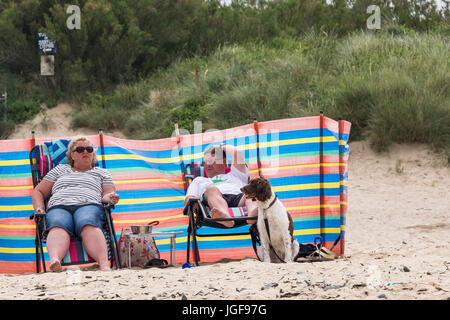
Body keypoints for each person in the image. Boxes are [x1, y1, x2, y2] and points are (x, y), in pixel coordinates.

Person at [32, 137, 120, 272]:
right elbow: (38, 191)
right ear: (72, 155)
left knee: (88, 222)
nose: (85, 152)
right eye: (80, 149)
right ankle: (55, 260)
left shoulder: (102, 173)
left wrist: (111, 197)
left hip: (88, 204)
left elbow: (106, 195)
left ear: (93, 153)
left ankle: (103, 264)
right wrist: (40, 208)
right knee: (57, 223)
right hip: (59, 205)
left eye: (89, 149)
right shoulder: (60, 170)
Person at [184, 143, 258, 227]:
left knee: (255, 189)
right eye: (206, 162)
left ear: (224, 162)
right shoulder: (199, 180)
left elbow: (236, 153)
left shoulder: (236, 174)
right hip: (213, 203)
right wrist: (195, 201)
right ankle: (225, 217)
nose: (208, 165)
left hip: (240, 198)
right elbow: (188, 199)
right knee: (211, 189)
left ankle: (252, 215)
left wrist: (220, 147)